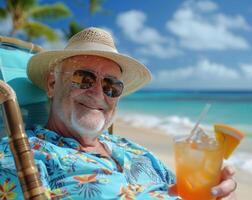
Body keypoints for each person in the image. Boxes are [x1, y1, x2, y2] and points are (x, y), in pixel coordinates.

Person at [0, 27, 237, 199]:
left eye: (111, 86)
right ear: (52, 84)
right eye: (84, 78)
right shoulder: (23, 154)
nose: (98, 93)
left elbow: (186, 190)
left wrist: (219, 192)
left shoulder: (132, 148)